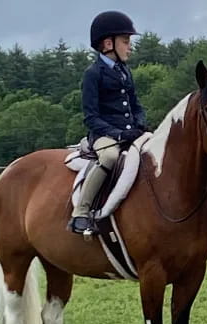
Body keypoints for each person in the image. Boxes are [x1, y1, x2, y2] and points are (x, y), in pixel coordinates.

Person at [67, 11, 146, 235]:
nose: (130, 46)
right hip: (103, 136)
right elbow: (90, 117)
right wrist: (118, 135)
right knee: (110, 157)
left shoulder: (125, 72)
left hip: (130, 133)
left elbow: (135, 105)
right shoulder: (93, 74)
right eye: (126, 41)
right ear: (108, 43)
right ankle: (81, 212)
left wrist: (140, 124)